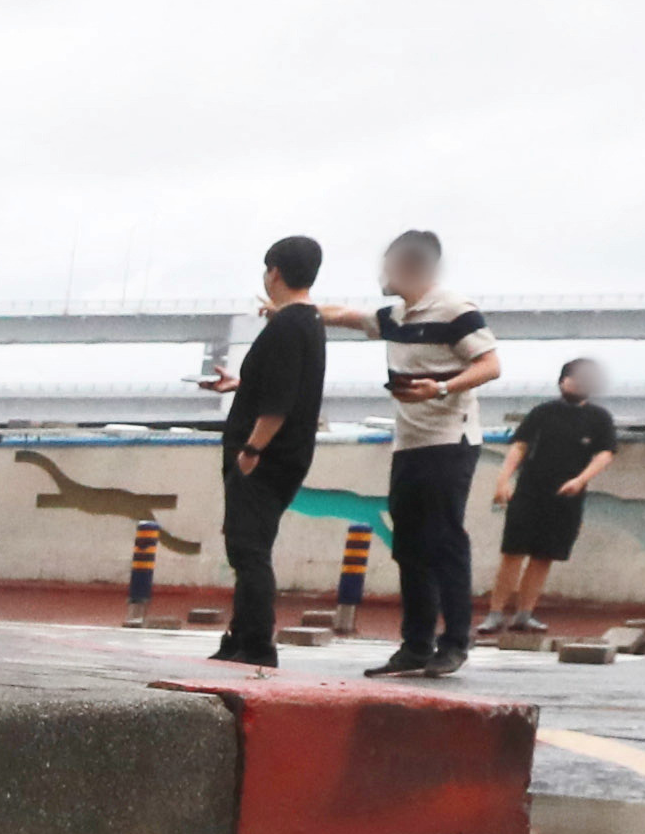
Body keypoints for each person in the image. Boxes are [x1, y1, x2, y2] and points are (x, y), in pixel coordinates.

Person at [318, 231, 500, 675]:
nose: (382, 273)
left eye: (388, 264)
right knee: (409, 546)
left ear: (410, 266)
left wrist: (439, 387)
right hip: (410, 445)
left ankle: (454, 642)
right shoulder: (396, 316)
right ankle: (415, 646)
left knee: (444, 541)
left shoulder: (456, 309)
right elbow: (344, 315)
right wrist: (289, 308)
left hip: (450, 442)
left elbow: (491, 364)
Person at [206, 235, 326, 666]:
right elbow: (285, 388)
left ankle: (256, 643)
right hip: (288, 454)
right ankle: (241, 636)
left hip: (265, 456)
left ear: (274, 272)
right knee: (250, 544)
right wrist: (240, 385)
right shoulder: (308, 322)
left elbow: (277, 405)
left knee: (248, 549)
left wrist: (252, 450)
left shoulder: (286, 327)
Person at [484, 356, 617, 642]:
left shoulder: (599, 418)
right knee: (513, 553)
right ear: (562, 381)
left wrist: (581, 480)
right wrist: (503, 480)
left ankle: (524, 613)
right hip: (529, 490)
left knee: (544, 555)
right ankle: (495, 612)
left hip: (566, 496)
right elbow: (519, 447)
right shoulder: (542, 412)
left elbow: (605, 453)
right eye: (573, 377)